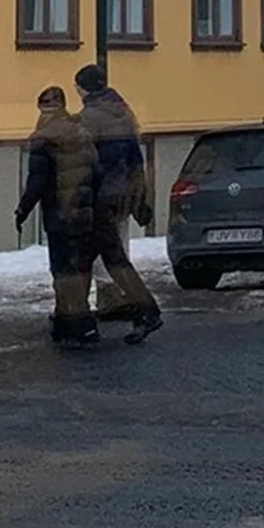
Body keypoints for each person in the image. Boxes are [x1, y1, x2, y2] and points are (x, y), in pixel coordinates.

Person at [74, 63, 163, 344]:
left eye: (77, 86)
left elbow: (83, 162)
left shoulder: (90, 118)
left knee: (112, 260)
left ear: (82, 88)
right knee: (86, 259)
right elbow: (135, 157)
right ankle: (73, 317)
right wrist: (139, 195)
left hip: (99, 199)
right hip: (120, 195)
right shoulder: (122, 111)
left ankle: (147, 311)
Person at [15, 86, 101, 347]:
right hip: (84, 213)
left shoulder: (42, 138)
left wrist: (23, 210)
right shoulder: (81, 132)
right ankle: (68, 323)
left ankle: (80, 324)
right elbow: (96, 171)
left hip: (60, 214)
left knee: (63, 270)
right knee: (78, 267)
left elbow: (37, 182)